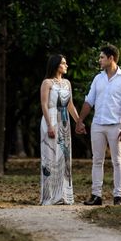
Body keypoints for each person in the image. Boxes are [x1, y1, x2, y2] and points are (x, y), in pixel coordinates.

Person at [75, 44, 121, 206]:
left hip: (116, 126)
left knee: (117, 160)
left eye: (102, 57)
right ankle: (96, 196)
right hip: (98, 125)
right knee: (97, 160)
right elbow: (89, 101)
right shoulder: (98, 78)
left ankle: (118, 196)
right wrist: (80, 120)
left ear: (111, 58)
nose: (99, 60)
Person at [40, 54, 80, 205]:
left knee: (64, 157)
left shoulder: (67, 83)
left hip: (64, 121)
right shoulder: (47, 83)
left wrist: (78, 122)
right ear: (56, 65)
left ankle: (63, 195)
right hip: (51, 119)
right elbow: (44, 104)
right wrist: (50, 125)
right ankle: (49, 196)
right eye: (64, 63)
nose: (66, 65)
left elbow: (70, 105)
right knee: (50, 157)